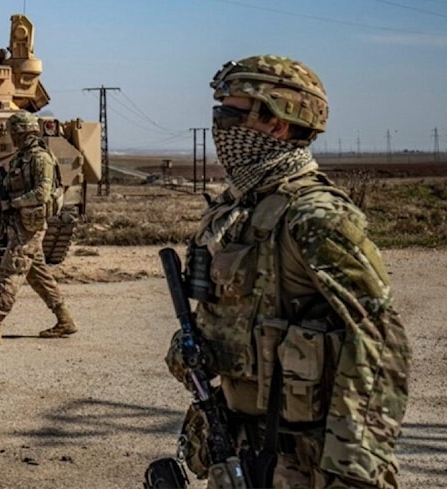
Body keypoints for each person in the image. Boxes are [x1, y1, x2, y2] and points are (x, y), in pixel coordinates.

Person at [165, 55, 411, 488]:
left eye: (229, 114)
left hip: (305, 460)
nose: (220, 128)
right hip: (244, 446)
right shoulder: (241, 208)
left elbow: (381, 339)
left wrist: (354, 467)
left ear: (277, 124)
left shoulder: (314, 215)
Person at [0, 110, 77, 346]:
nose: (11, 138)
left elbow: (41, 194)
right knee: (38, 274)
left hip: (30, 225)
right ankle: (65, 320)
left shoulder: (39, 158)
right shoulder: (22, 157)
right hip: (21, 222)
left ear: (22, 132)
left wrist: (11, 203)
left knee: (10, 271)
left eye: (14, 132)